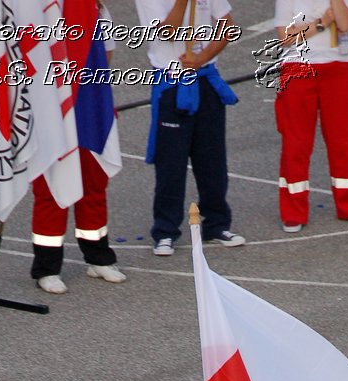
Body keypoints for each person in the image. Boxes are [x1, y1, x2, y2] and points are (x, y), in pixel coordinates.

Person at [136, 0, 245, 255]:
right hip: (171, 82)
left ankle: (217, 223)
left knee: (212, 158)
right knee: (170, 161)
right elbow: (166, 32)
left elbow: (227, 27)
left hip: (205, 76)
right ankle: (165, 230)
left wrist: (202, 57)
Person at [31, 2, 126, 295]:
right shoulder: (37, 9)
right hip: (51, 108)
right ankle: (46, 268)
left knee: (94, 183)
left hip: (88, 107)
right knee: (51, 190)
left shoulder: (97, 10)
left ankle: (98, 258)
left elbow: (105, 54)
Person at [273, 0, 348, 232]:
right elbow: (285, 37)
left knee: (343, 139)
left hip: (339, 65)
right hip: (298, 66)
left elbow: (345, 23)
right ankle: (293, 211)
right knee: (296, 141)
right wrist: (320, 24)